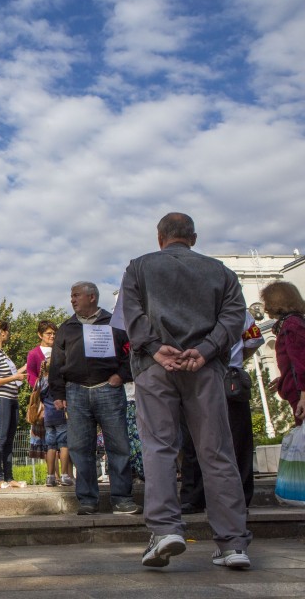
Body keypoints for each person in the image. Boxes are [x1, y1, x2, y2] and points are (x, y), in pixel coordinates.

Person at [122, 212, 251, 569]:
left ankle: (165, 529)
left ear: (160, 237)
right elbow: (233, 317)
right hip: (204, 368)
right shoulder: (221, 271)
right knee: (217, 452)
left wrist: (154, 346)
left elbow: (131, 313)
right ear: (192, 238)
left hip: (154, 367)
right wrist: (207, 349)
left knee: (159, 448)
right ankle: (232, 543)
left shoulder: (139, 267)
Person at [48, 283, 138, 515]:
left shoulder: (114, 323)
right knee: (79, 447)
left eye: (76, 295)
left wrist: (121, 376)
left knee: (118, 445)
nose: (72, 300)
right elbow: (57, 364)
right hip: (76, 392)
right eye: (71, 296)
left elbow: (132, 353)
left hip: (108, 389)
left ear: (92, 297)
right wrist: (58, 394)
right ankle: (87, 500)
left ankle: (122, 499)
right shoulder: (66, 328)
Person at [180, 313, 264, 513]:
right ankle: (194, 497)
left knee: (237, 439)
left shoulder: (239, 311)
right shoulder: (189, 303)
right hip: (195, 377)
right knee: (192, 441)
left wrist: (235, 361)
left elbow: (253, 340)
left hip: (228, 378)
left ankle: (238, 498)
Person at [261, 281, 305, 434]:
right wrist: (286, 378)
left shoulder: (292, 325)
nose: (265, 307)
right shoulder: (301, 322)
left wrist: (304, 399)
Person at [26, 320, 73, 487]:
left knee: (53, 442)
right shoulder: (34, 354)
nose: (52, 336)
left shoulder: (61, 350)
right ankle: (57, 475)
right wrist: (38, 395)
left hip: (58, 399)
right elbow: (30, 375)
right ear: (40, 335)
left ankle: (61, 475)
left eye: (54, 333)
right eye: (48, 333)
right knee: (54, 441)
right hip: (45, 402)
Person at [0, 320, 28, 489]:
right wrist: (14, 378)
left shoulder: (4, 354)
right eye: (7, 331)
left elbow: (14, 375)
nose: (8, 334)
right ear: (2, 332)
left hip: (13, 399)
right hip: (2, 399)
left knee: (10, 439)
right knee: (1, 437)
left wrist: (26, 367)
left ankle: (10, 478)